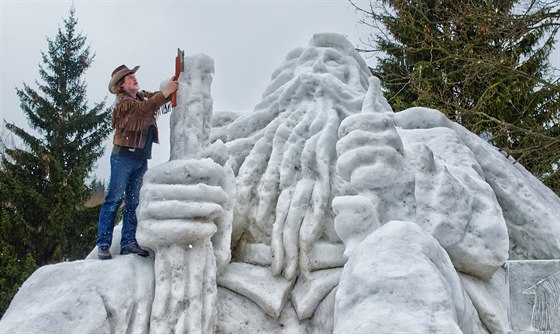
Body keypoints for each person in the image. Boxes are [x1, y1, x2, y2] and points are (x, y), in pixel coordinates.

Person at [96, 64, 179, 260]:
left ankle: (128, 243)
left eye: (134, 76)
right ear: (122, 85)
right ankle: (103, 244)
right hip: (123, 158)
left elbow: (157, 99)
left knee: (134, 202)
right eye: (129, 77)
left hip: (140, 158)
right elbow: (142, 112)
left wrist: (174, 86)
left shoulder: (141, 97)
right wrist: (165, 93)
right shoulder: (123, 103)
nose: (134, 79)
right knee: (114, 200)